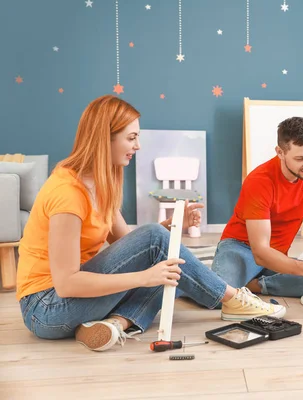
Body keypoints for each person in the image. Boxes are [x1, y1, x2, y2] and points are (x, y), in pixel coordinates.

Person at [16, 95, 285, 352]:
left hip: (69, 303)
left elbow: (127, 244)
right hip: (46, 308)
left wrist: (169, 226)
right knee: (160, 269)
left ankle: (113, 324)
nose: (138, 146)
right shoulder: (67, 193)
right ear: (103, 140)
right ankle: (232, 299)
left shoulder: (98, 184)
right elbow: (66, 284)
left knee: (170, 270)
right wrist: (144, 277)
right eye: (131, 138)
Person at [211, 117, 303, 297]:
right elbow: (260, 251)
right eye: (299, 158)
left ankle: (254, 286)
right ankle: (213, 278)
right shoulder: (259, 181)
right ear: (280, 152)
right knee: (218, 295)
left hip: (277, 257)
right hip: (242, 247)